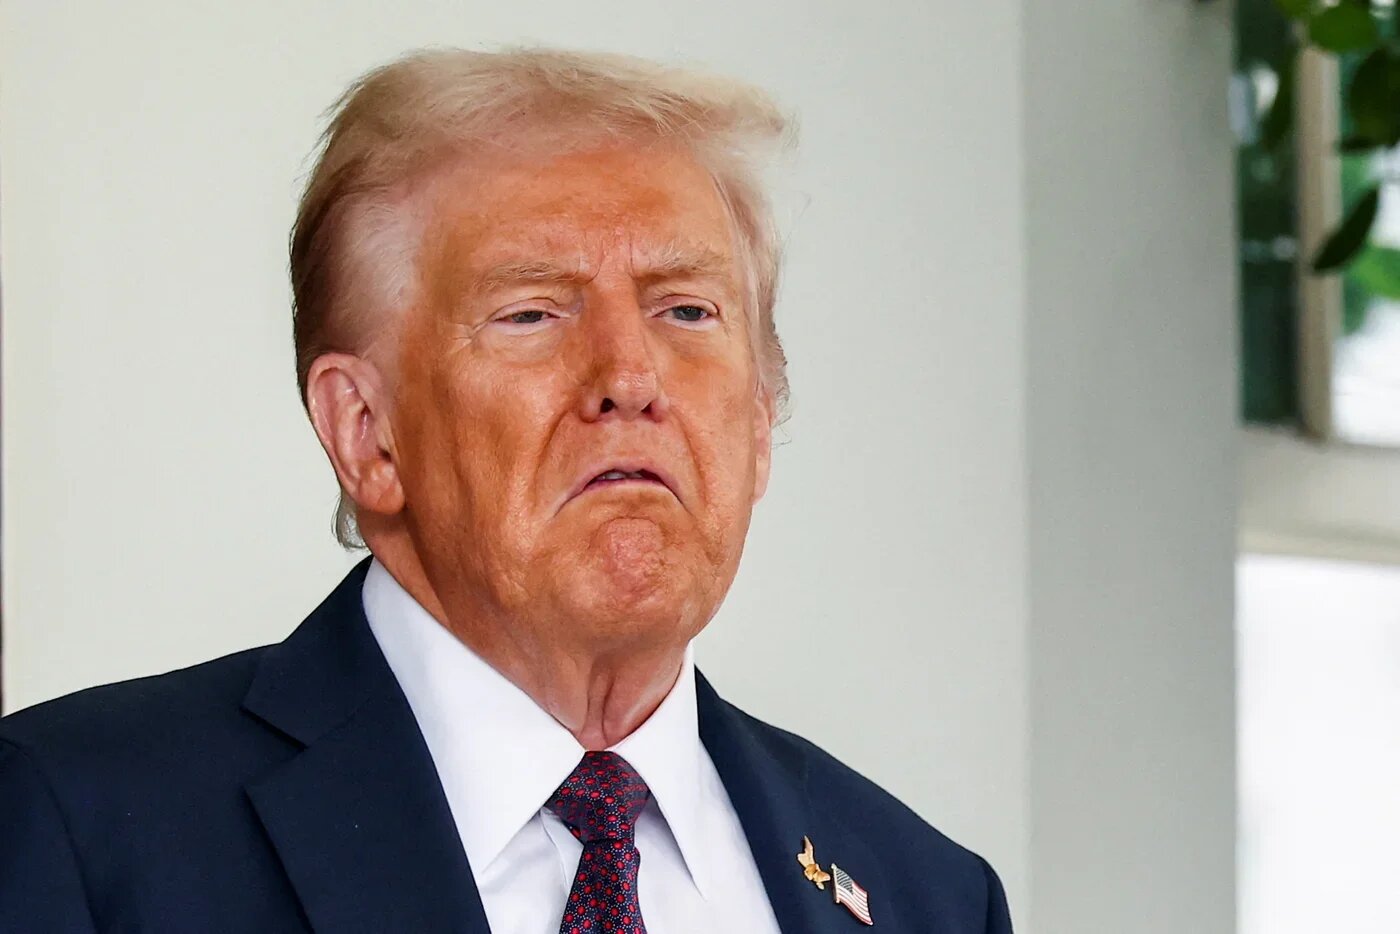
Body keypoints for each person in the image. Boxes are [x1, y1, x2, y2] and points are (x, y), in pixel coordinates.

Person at [0, 47, 1012, 933]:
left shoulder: (926, 895)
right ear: (367, 433)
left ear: (758, 421)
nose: (629, 375)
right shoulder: (76, 824)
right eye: (532, 313)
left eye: (687, 310)